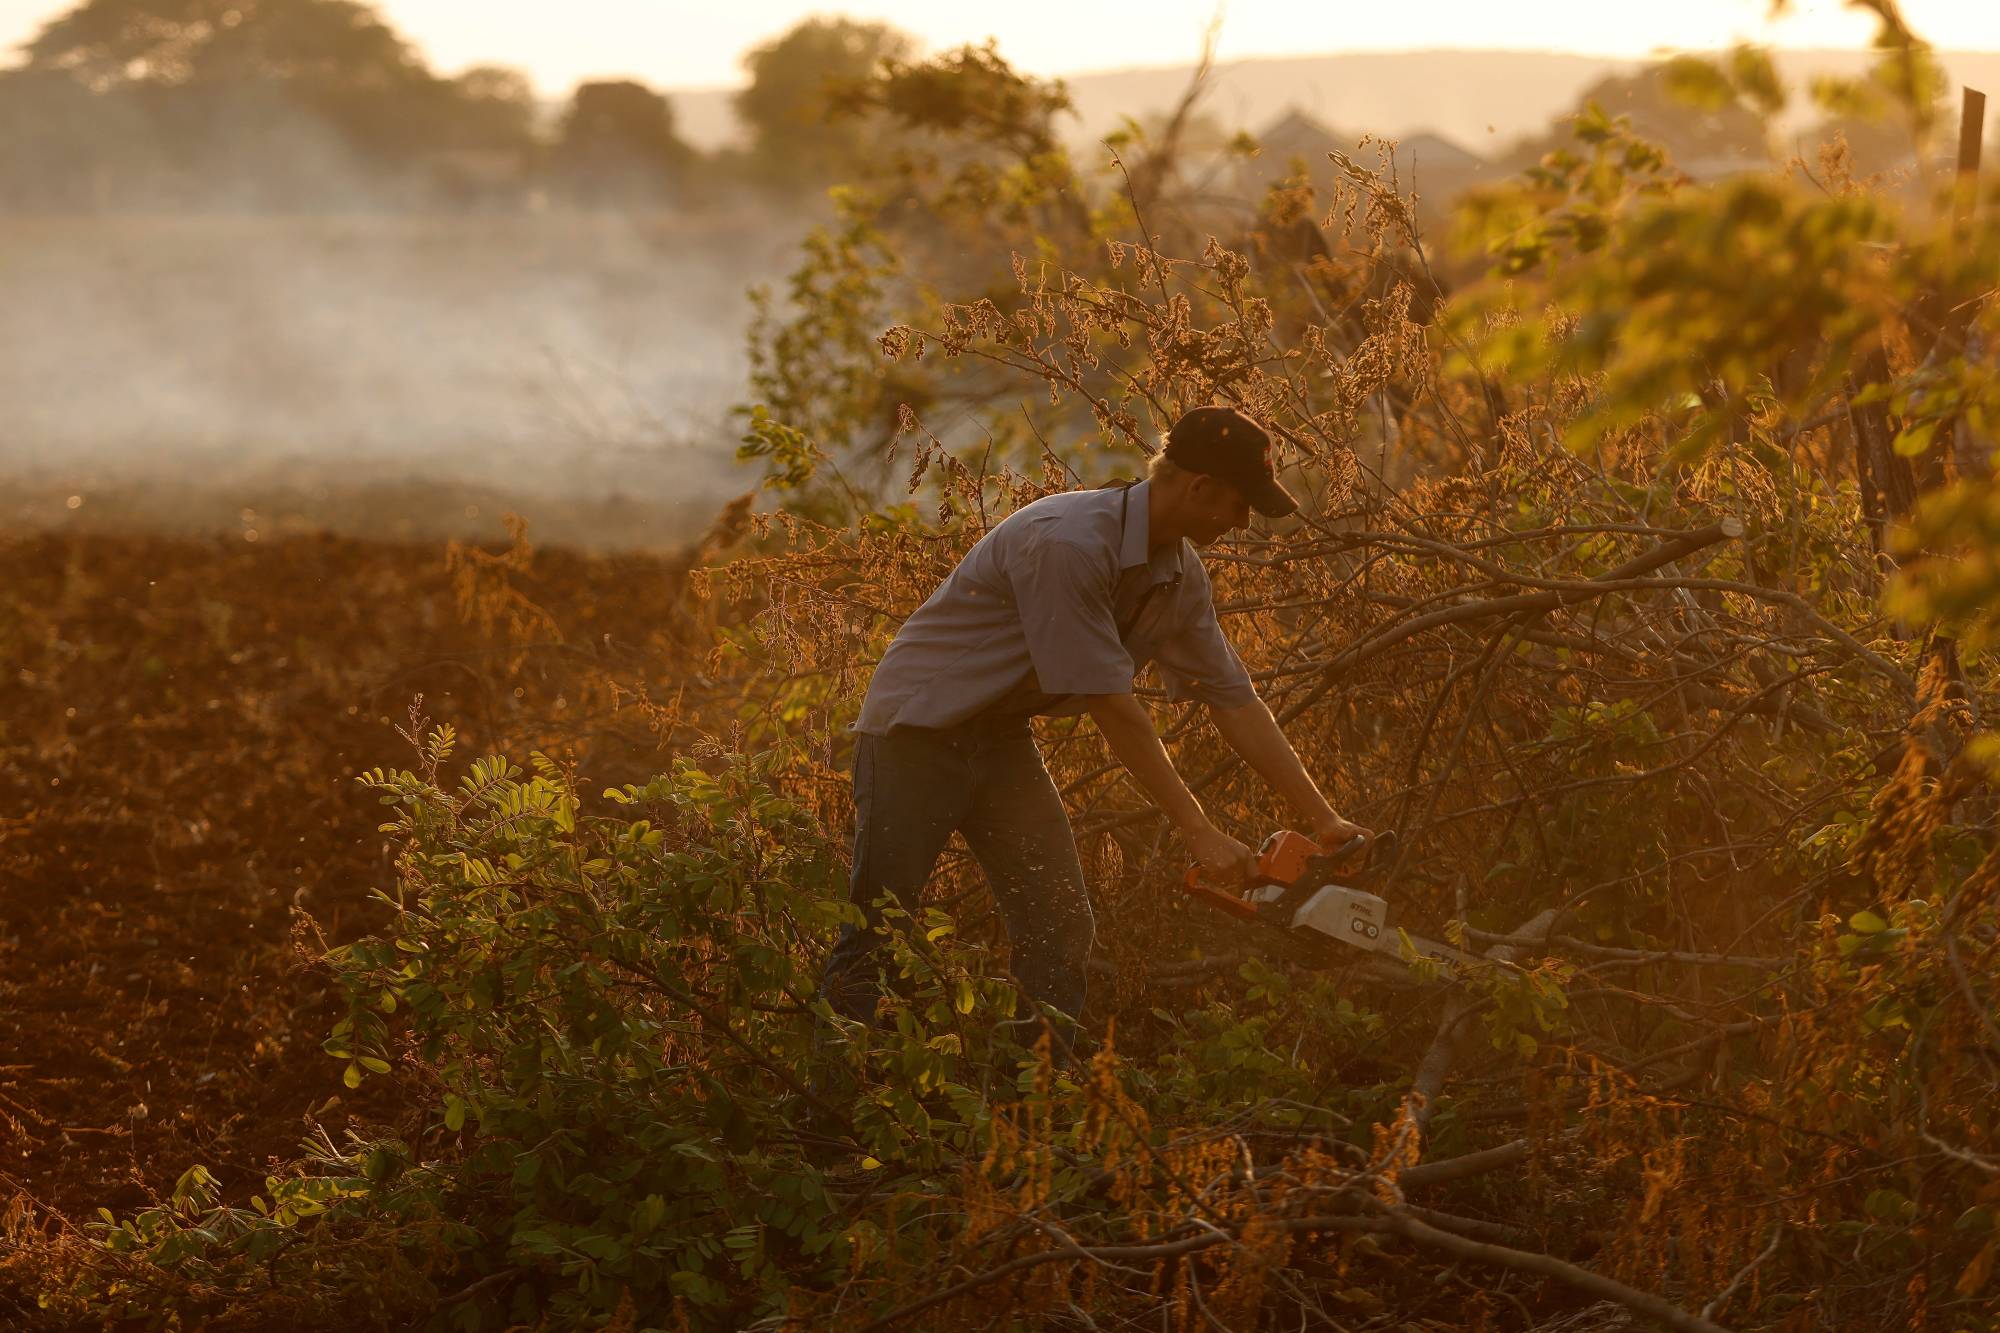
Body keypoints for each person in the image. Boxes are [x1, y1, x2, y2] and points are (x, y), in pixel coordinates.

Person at [820, 405, 1371, 1045]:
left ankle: (1034, 1101)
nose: (1242, 523)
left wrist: (1323, 818)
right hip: (914, 734)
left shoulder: (1178, 574)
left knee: (1059, 922)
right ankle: (835, 1097)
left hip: (1000, 739)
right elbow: (1110, 703)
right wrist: (1197, 831)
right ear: (1198, 488)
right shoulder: (1068, 543)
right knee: (880, 929)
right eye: (1240, 505)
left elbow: (1233, 700)